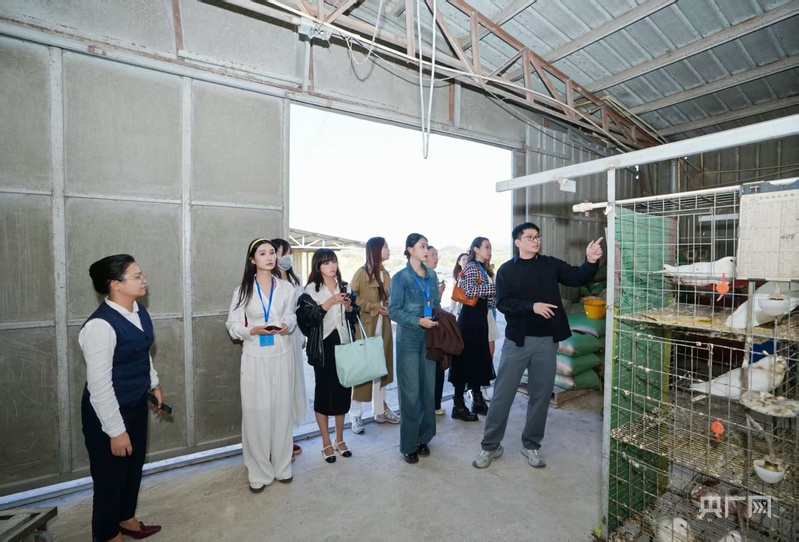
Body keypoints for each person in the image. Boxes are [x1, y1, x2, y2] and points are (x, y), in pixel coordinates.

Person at [472, 223, 603, 470]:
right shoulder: (507, 270)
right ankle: (490, 445)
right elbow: (503, 303)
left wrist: (590, 260)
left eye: (537, 236)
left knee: (541, 396)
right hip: (517, 342)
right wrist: (532, 307)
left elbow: (576, 277)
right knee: (502, 395)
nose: (535, 240)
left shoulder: (549, 265)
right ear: (517, 242)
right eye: (530, 237)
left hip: (546, 341)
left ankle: (531, 444)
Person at [79, 254, 164, 542]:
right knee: (109, 478)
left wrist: (153, 384)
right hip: (107, 412)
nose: (144, 280)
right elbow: (100, 386)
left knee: (132, 467)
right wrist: (115, 431)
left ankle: (126, 518)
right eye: (137, 276)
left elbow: (142, 352)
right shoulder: (99, 326)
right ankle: (107, 534)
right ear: (115, 284)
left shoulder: (138, 310)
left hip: (135, 402)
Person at [226, 238, 298, 491]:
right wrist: (251, 330)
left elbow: (291, 315)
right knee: (256, 412)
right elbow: (232, 325)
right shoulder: (242, 291)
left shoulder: (287, 288)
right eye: (262, 253)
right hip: (255, 356)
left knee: (282, 410)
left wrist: (287, 325)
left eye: (272, 253)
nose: (269, 257)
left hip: (282, 353)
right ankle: (258, 470)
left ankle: (282, 465)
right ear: (252, 260)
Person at [388, 233, 441, 464]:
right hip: (409, 338)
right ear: (410, 250)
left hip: (429, 337)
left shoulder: (432, 275)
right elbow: (393, 311)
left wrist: (437, 317)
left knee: (428, 390)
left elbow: (436, 303)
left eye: (427, 246)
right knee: (410, 393)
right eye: (422, 246)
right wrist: (418, 320)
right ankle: (409, 444)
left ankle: (423, 438)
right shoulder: (401, 278)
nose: (426, 250)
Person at [302, 249, 355, 463]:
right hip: (323, 347)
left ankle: (339, 439)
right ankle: (325, 442)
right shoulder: (310, 290)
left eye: (333, 261)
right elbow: (308, 320)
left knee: (343, 391)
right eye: (326, 263)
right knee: (324, 393)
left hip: (343, 343)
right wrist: (330, 301)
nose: (331, 266)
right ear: (318, 266)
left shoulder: (345, 286)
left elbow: (354, 315)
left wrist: (349, 307)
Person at [349, 237, 399, 434]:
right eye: (385, 246)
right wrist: (375, 307)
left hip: (383, 327)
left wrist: (388, 307)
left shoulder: (386, 274)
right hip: (366, 328)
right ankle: (355, 415)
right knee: (363, 372)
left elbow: (390, 298)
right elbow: (353, 298)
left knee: (381, 370)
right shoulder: (361, 274)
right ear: (376, 250)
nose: (388, 250)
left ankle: (380, 410)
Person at [449, 237, 496, 421]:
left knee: (478, 360)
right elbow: (469, 291)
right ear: (476, 249)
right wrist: (493, 289)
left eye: (490, 247)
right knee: (464, 361)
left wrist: (495, 296)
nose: (489, 250)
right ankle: (458, 405)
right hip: (469, 322)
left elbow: (488, 298)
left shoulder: (484, 269)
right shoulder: (471, 267)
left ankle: (477, 400)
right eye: (486, 247)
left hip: (480, 321)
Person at [272, 238, 307, 458]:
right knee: (278, 386)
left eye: (289, 253)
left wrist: (302, 335)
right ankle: (275, 441)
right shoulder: (268, 280)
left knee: (292, 386)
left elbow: (299, 310)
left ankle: (287, 437)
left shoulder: (296, 279)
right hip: (276, 336)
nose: (286, 257)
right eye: (282, 253)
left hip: (294, 335)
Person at [428, 246, 448, 416]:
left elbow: (434, 304)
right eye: (433, 254)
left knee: (438, 366)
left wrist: (439, 294)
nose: (436, 258)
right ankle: (431, 404)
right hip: (425, 328)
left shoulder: (433, 276)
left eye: (437, 254)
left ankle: (435, 404)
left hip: (434, 326)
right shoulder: (417, 277)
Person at [448, 253, 469, 318]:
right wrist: (451, 310)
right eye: (463, 259)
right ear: (459, 262)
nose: (466, 261)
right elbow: (454, 294)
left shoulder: (474, 274)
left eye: (468, 259)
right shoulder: (458, 277)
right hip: (462, 308)